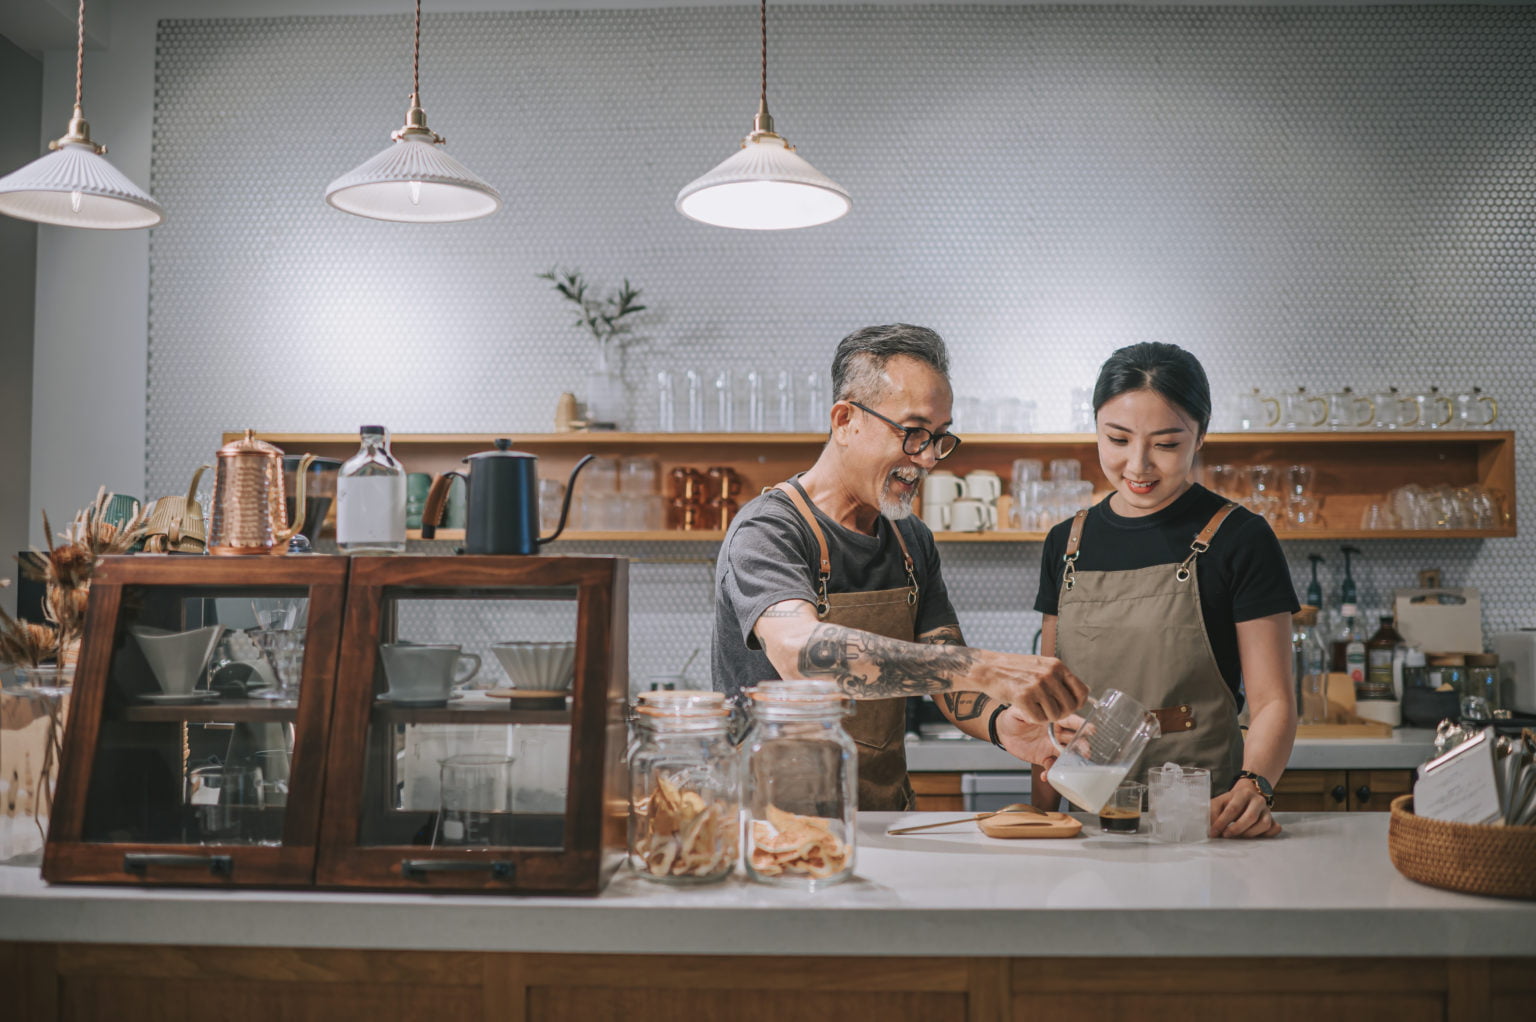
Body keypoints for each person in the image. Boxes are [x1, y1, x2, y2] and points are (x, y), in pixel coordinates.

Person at [712, 324, 1088, 811]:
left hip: (881, 815)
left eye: (939, 438)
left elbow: (945, 673)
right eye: (912, 433)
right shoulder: (769, 530)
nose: (929, 458)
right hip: (771, 826)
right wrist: (988, 666)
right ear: (845, 420)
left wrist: (1004, 726)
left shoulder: (910, 539)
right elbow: (801, 654)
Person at [1033, 342, 1298, 838]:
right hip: (1082, 815)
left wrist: (1255, 784)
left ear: (1201, 435)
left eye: (1166, 444)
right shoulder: (1065, 543)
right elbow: (1049, 702)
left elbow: (1272, 702)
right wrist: (1045, 813)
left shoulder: (1240, 537)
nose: (1138, 465)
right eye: (1117, 439)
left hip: (1200, 812)